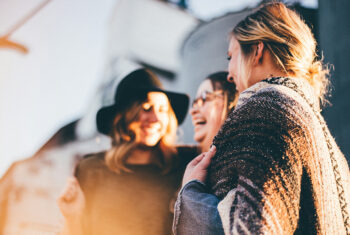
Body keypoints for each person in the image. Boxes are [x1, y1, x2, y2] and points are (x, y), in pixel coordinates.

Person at [174, 2, 350, 235]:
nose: (229, 73)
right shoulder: (328, 144)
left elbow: (250, 228)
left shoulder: (264, 110)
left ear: (257, 50)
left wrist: (191, 191)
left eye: (231, 57)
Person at [57, 68, 198, 235]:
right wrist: (71, 216)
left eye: (162, 110)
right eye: (146, 108)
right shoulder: (90, 169)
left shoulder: (185, 165)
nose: (155, 119)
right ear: (124, 116)